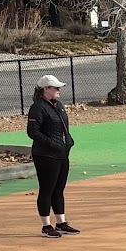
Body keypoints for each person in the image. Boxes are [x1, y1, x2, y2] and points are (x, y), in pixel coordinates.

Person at [27, 75, 78, 237]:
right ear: (46, 89)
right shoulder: (38, 107)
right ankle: (46, 226)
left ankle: (61, 223)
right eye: (56, 88)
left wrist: (68, 141)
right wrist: (53, 143)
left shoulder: (58, 105)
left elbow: (63, 128)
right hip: (45, 155)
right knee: (47, 190)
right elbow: (33, 132)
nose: (59, 90)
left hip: (62, 154)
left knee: (59, 189)